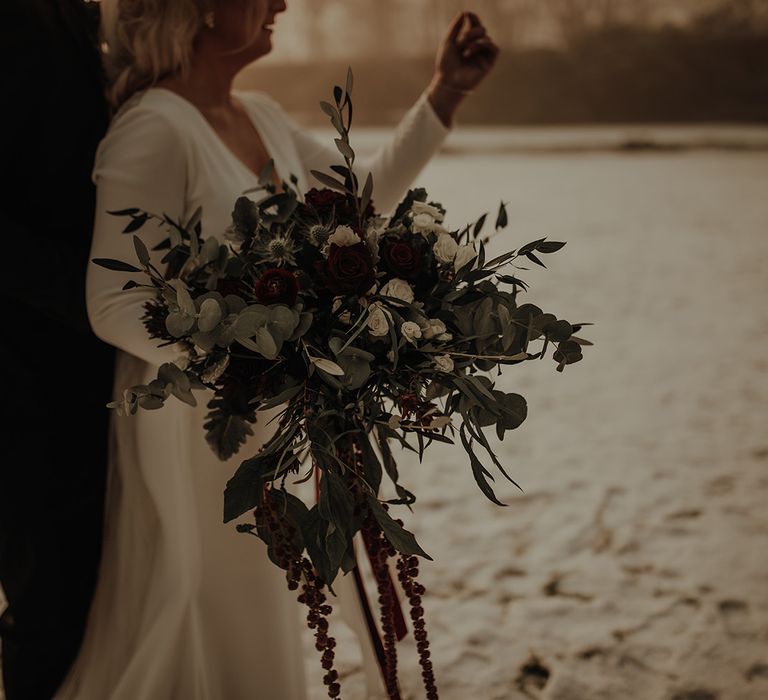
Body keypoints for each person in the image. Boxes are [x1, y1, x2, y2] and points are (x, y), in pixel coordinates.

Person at [56, 1, 499, 698]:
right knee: (206, 604)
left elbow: (359, 203)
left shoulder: (260, 114)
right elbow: (109, 304)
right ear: (200, 8)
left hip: (266, 420)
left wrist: (445, 93)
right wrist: (245, 360)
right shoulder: (151, 128)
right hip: (199, 424)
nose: (283, 4)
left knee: (259, 603)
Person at [0, 1, 116, 698]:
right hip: (23, 375)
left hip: (95, 372)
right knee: (52, 611)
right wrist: (102, 301)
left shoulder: (80, 12)